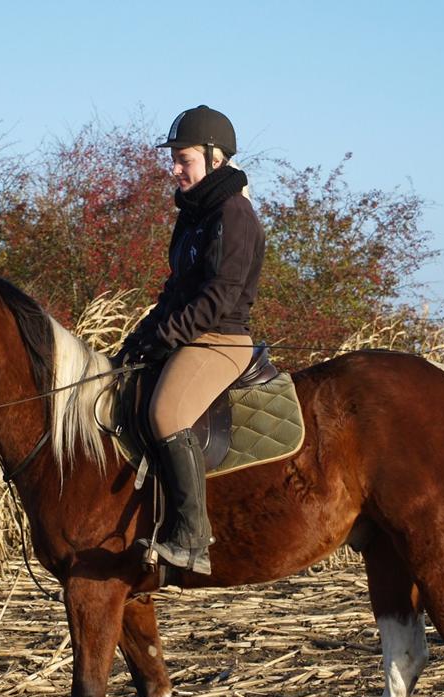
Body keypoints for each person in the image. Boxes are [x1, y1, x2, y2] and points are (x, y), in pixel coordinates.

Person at [117, 105, 265, 575]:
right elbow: (175, 288)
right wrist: (139, 338)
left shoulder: (233, 213)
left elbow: (220, 295)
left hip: (221, 338)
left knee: (165, 412)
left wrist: (168, 335)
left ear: (216, 159)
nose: (176, 168)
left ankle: (193, 536)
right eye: (174, 159)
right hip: (192, 335)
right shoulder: (194, 215)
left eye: (185, 159)